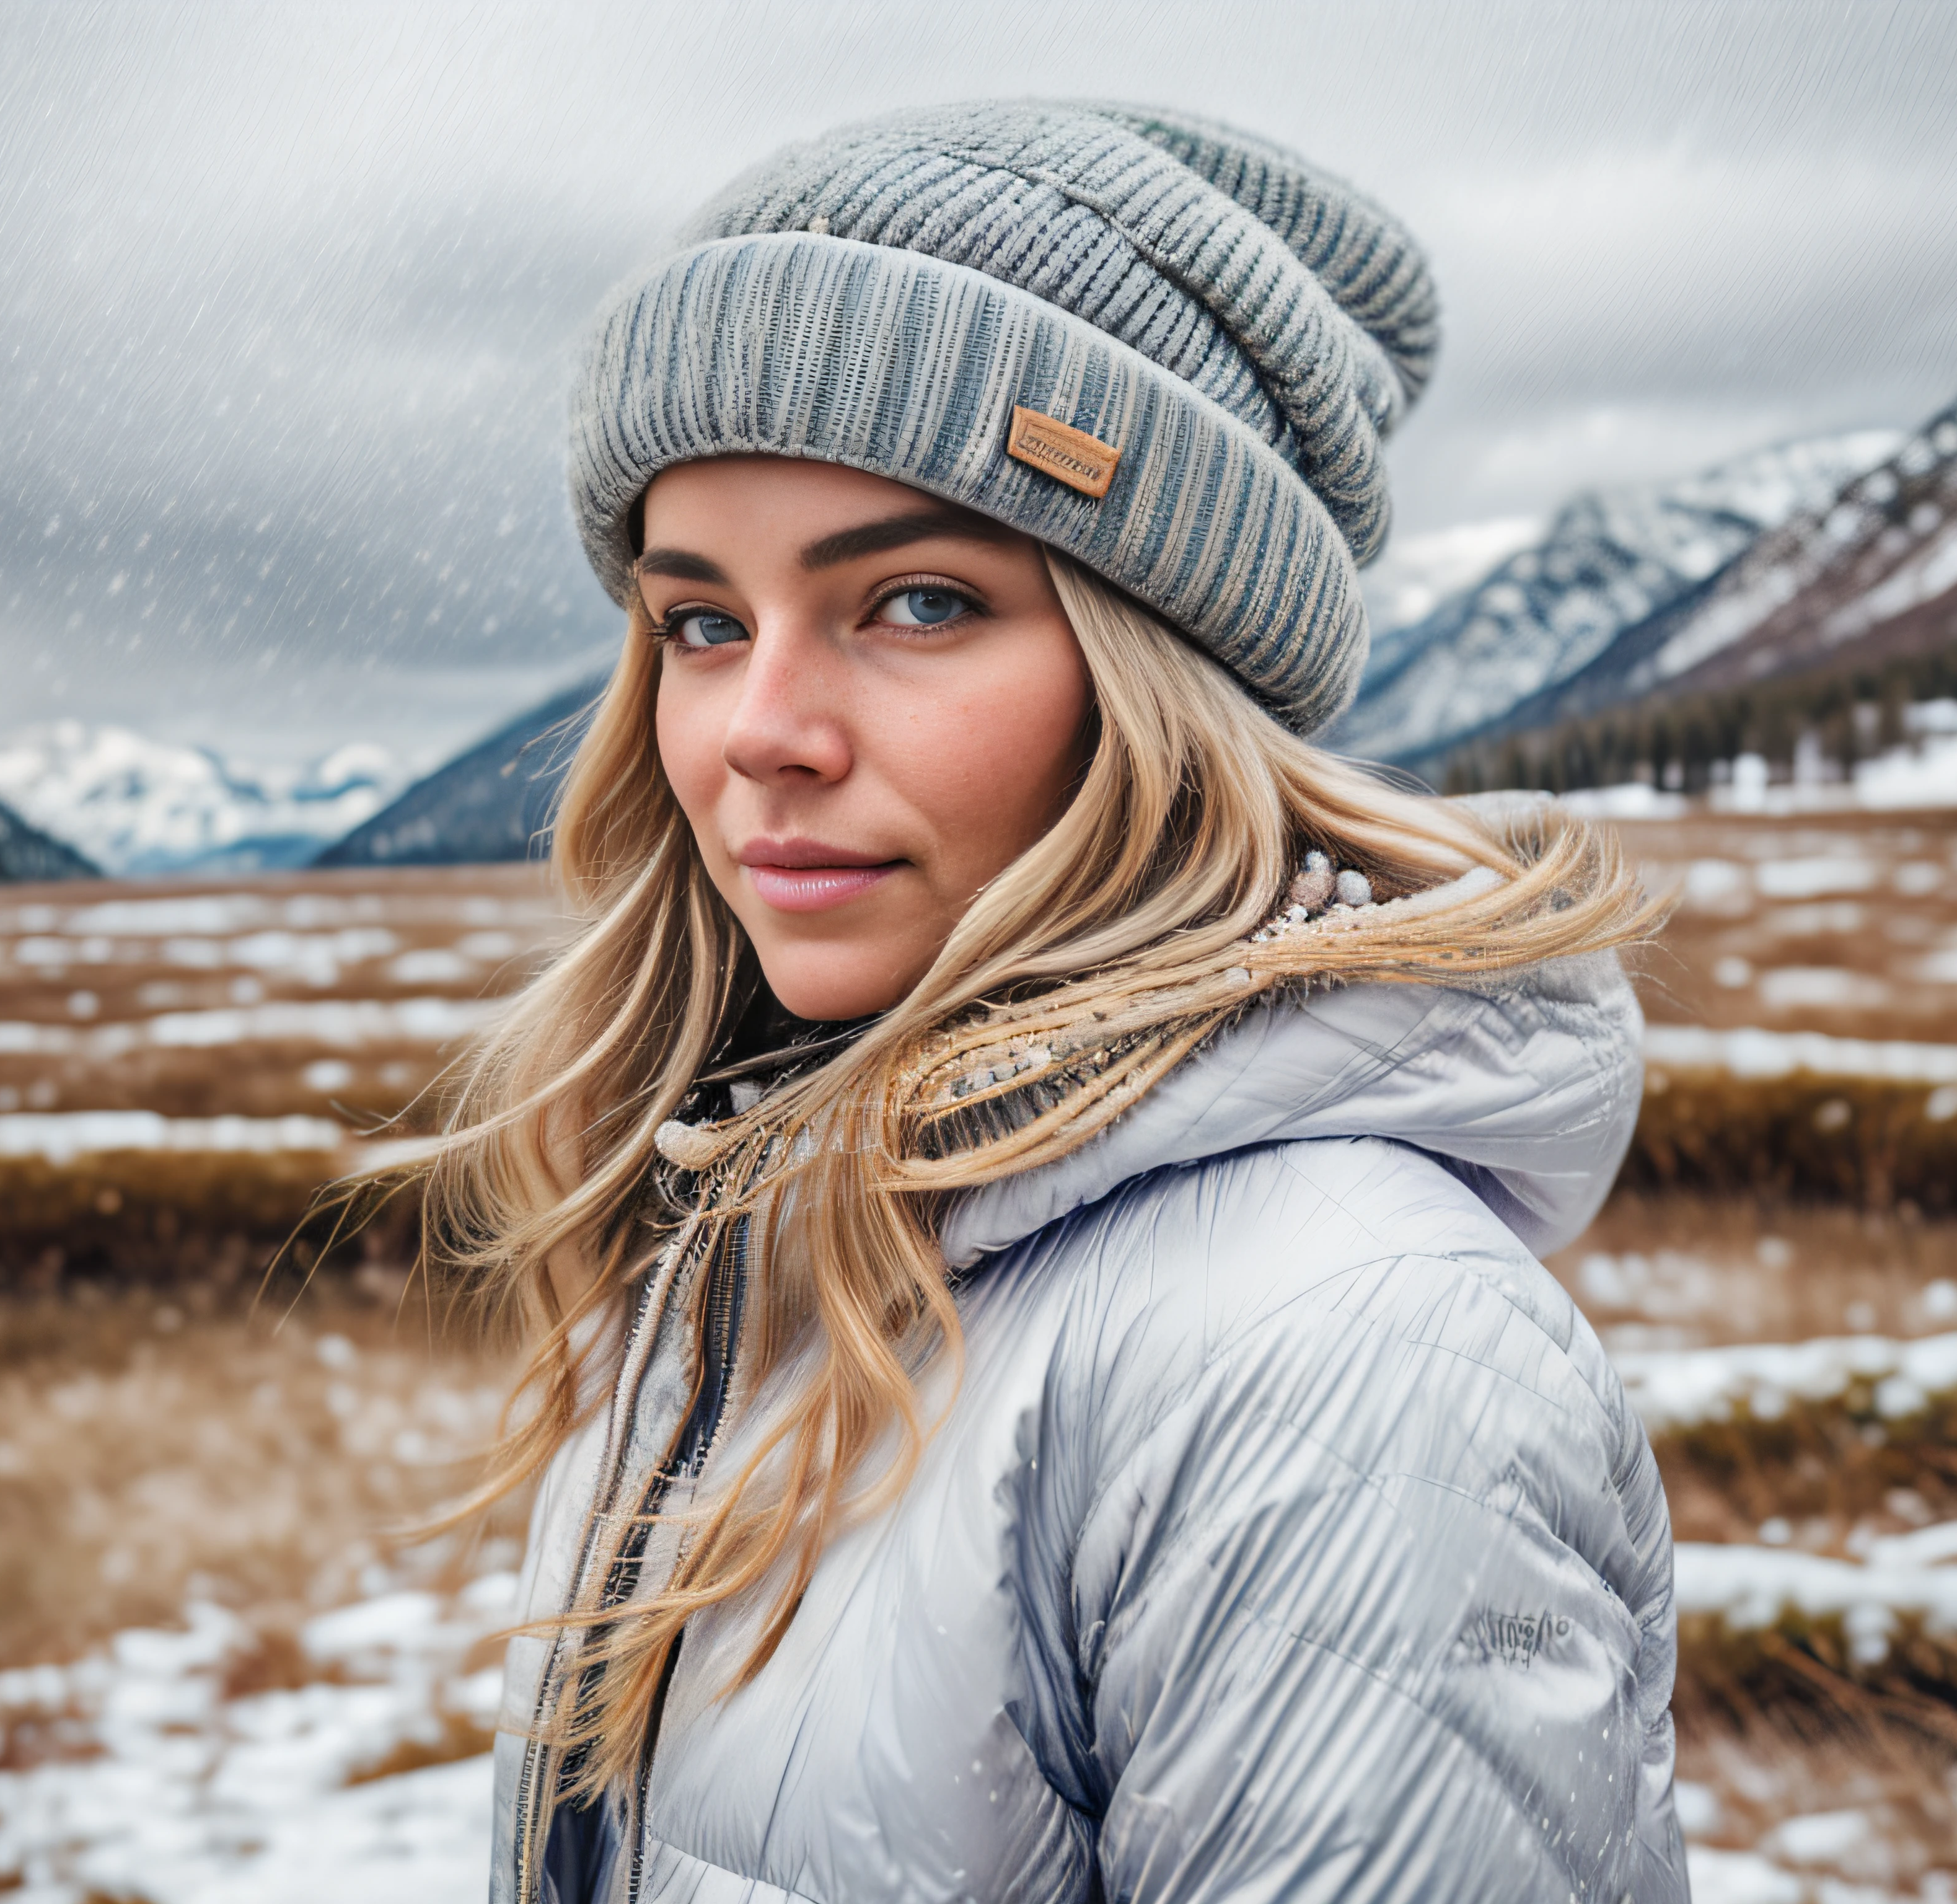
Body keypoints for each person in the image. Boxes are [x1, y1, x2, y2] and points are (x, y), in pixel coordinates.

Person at [434, 101, 1685, 1903]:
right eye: (701, 622)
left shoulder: (1336, 1359)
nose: (758, 730)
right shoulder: (763, 1213)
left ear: (1160, 675)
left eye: (920, 600)